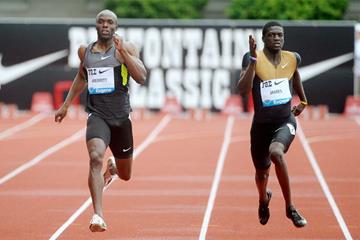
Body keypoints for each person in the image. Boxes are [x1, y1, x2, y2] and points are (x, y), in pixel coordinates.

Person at [55, 9, 147, 232]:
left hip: (121, 118)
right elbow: (81, 76)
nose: (105, 25)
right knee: (95, 157)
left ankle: (114, 167)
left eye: (110, 22)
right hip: (97, 115)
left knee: (126, 175)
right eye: (101, 22)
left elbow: (141, 77)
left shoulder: (127, 47)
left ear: (116, 26)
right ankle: (98, 215)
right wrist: (66, 105)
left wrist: (124, 53)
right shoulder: (85, 52)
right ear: (96, 26)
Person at [238, 21, 307, 227]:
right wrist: (252, 59)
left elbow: (295, 77)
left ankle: (290, 208)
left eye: (280, 35)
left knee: (277, 152)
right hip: (261, 126)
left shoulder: (292, 58)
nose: (277, 38)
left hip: (285, 120)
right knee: (261, 174)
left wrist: (303, 101)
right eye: (272, 35)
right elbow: (243, 88)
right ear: (264, 38)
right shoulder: (253, 58)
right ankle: (263, 199)